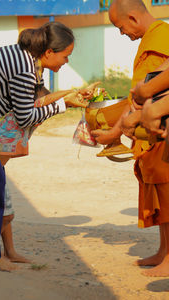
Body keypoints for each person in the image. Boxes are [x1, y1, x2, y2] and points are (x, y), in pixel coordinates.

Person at [0, 21, 92, 272]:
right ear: (49, 52)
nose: (66, 62)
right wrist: (65, 105)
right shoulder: (25, 68)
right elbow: (26, 116)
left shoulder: (29, 62)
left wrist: (69, 95)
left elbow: (38, 98)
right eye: (65, 56)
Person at [92, 0, 169, 277]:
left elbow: (148, 93)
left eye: (119, 25)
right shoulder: (151, 38)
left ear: (133, 18)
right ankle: (164, 251)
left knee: (167, 190)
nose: (121, 32)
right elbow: (139, 94)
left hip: (161, 128)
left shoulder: (160, 39)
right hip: (151, 128)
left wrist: (115, 131)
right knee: (159, 190)